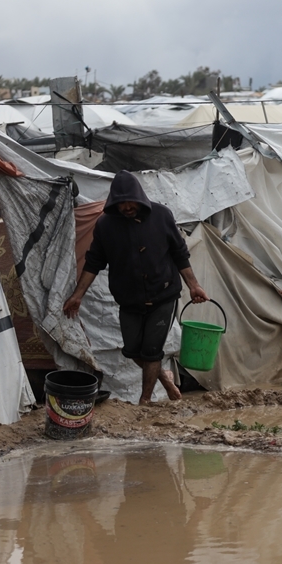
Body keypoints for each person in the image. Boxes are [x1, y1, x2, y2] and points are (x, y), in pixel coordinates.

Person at [63, 171, 208, 402]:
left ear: (139, 197)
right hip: (129, 300)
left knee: (151, 351)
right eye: (121, 203)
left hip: (163, 295)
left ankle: (145, 401)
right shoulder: (105, 226)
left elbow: (179, 253)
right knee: (132, 351)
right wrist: (78, 295)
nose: (127, 207)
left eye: (130, 201)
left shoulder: (161, 215)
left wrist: (194, 285)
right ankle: (164, 377)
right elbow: (94, 263)